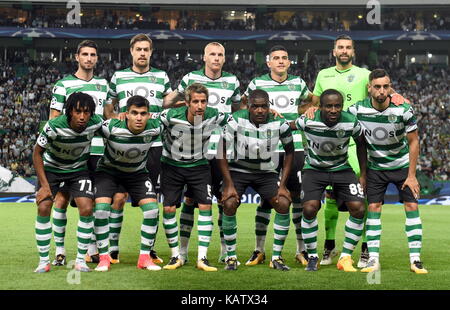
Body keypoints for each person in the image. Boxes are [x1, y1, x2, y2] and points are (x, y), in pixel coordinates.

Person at [306, 35, 408, 268]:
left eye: (348, 47)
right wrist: (311, 110)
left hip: (360, 143)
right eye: (340, 47)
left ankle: (364, 250)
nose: (344, 51)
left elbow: (381, 94)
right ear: (334, 51)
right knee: (330, 198)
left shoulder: (365, 74)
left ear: (353, 51)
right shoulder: (324, 75)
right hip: (334, 144)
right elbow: (315, 103)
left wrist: (396, 97)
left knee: (362, 197)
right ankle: (329, 245)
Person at [166, 42, 241, 264]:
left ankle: (225, 250)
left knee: (223, 200)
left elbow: (238, 111)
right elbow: (175, 103)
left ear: (224, 59)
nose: (216, 58)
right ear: (204, 57)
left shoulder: (233, 81)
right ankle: (182, 250)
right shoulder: (190, 79)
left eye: (220, 55)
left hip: (223, 151)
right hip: (196, 151)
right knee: (190, 200)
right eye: (212, 54)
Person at [348, 69, 427, 274]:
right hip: (376, 168)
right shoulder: (357, 110)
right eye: (377, 86)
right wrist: (312, 110)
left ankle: (415, 260)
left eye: (386, 86)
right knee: (373, 208)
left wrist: (411, 175)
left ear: (390, 87)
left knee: (411, 206)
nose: (382, 91)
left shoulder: (403, 109)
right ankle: (373, 259)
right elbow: (333, 114)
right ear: (369, 88)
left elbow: (414, 141)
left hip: (401, 166)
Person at [104, 33, 171, 264]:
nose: (142, 53)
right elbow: (108, 107)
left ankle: (149, 250)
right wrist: (115, 116)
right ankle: (113, 249)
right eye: (138, 49)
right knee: (119, 198)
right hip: (125, 145)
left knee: (152, 200)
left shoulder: (161, 76)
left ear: (151, 52)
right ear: (131, 51)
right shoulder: (119, 76)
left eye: (146, 49)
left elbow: (168, 102)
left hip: (153, 145)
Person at [243, 45, 312, 267]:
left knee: (298, 198)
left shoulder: (299, 83)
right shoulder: (257, 83)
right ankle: (259, 249)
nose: (280, 61)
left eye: (284, 58)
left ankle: (301, 250)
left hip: (295, 146)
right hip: (267, 146)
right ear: (269, 62)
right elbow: (247, 107)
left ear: (289, 62)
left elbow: (313, 101)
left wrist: (308, 110)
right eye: (276, 58)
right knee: (267, 198)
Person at [49, 40, 110, 265]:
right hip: (71, 154)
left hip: (97, 153)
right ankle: (60, 250)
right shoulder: (63, 85)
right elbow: (54, 119)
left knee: (90, 202)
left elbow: (107, 117)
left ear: (97, 58)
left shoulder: (104, 85)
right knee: (62, 200)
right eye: (85, 54)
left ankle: (91, 249)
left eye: (93, 54)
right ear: (77, 57)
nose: (89, 58)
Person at [219, 89, 294, 271]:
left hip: (266, 173)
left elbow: (290, 152)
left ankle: (276, 257)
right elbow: (220, 150)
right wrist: (228, 185)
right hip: (238, 170)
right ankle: (231, 257)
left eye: (264, 106)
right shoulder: (236, 119)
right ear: (248, 107)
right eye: (255, 107)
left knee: (283, 202)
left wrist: (282, 185)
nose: (260, 111)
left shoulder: (279, 123)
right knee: (229, 203)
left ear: (269, 107)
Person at [294, 89, 366, 272]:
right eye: (329, 106)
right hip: (314, 169)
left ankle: (345, 257)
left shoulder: (350, 122)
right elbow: (288, 125)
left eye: (337, 106)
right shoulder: (309, 120)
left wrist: (363, 174)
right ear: (321, 107)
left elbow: (361, 144)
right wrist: (273, 116)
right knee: (310, 208)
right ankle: (312, 256)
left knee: (358, 208)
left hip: (342, 169)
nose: (333, 110)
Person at [159, 83, 228, 272]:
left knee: (206, 205)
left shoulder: (214, 115)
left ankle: (202, 258)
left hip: (199, 166)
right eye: (195, 101)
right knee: (169, 208)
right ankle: (176, 256)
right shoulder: (170, 116)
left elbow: (240, 118)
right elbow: (151, 119)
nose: (200, 106)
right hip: (172, 166)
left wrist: (271, 111)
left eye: (203, 101)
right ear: (186, 103)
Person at [33, 92, 102, 273]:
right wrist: (45, 186)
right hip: (52, 170)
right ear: (69, 111)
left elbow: (112, 127)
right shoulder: (54, 126)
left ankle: (81, 260)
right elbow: (36, 153)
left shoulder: (95, 123)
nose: (82, 116)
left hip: (78, 170)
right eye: (77, 111)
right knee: (43, 207)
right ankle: (43, 261)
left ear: (91, 113)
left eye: (86, 112)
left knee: (87, 208)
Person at [93, 95, 162, 272]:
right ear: (126, 114)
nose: (139, 118)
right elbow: (89, 127)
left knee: (152, 210)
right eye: (134, 113)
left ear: (149, 115)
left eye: (143, 114)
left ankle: (144, 258)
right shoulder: (111, 127)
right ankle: (103, 257)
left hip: (137, 174)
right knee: (101, 210)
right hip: (108, 172)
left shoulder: (156, 128)